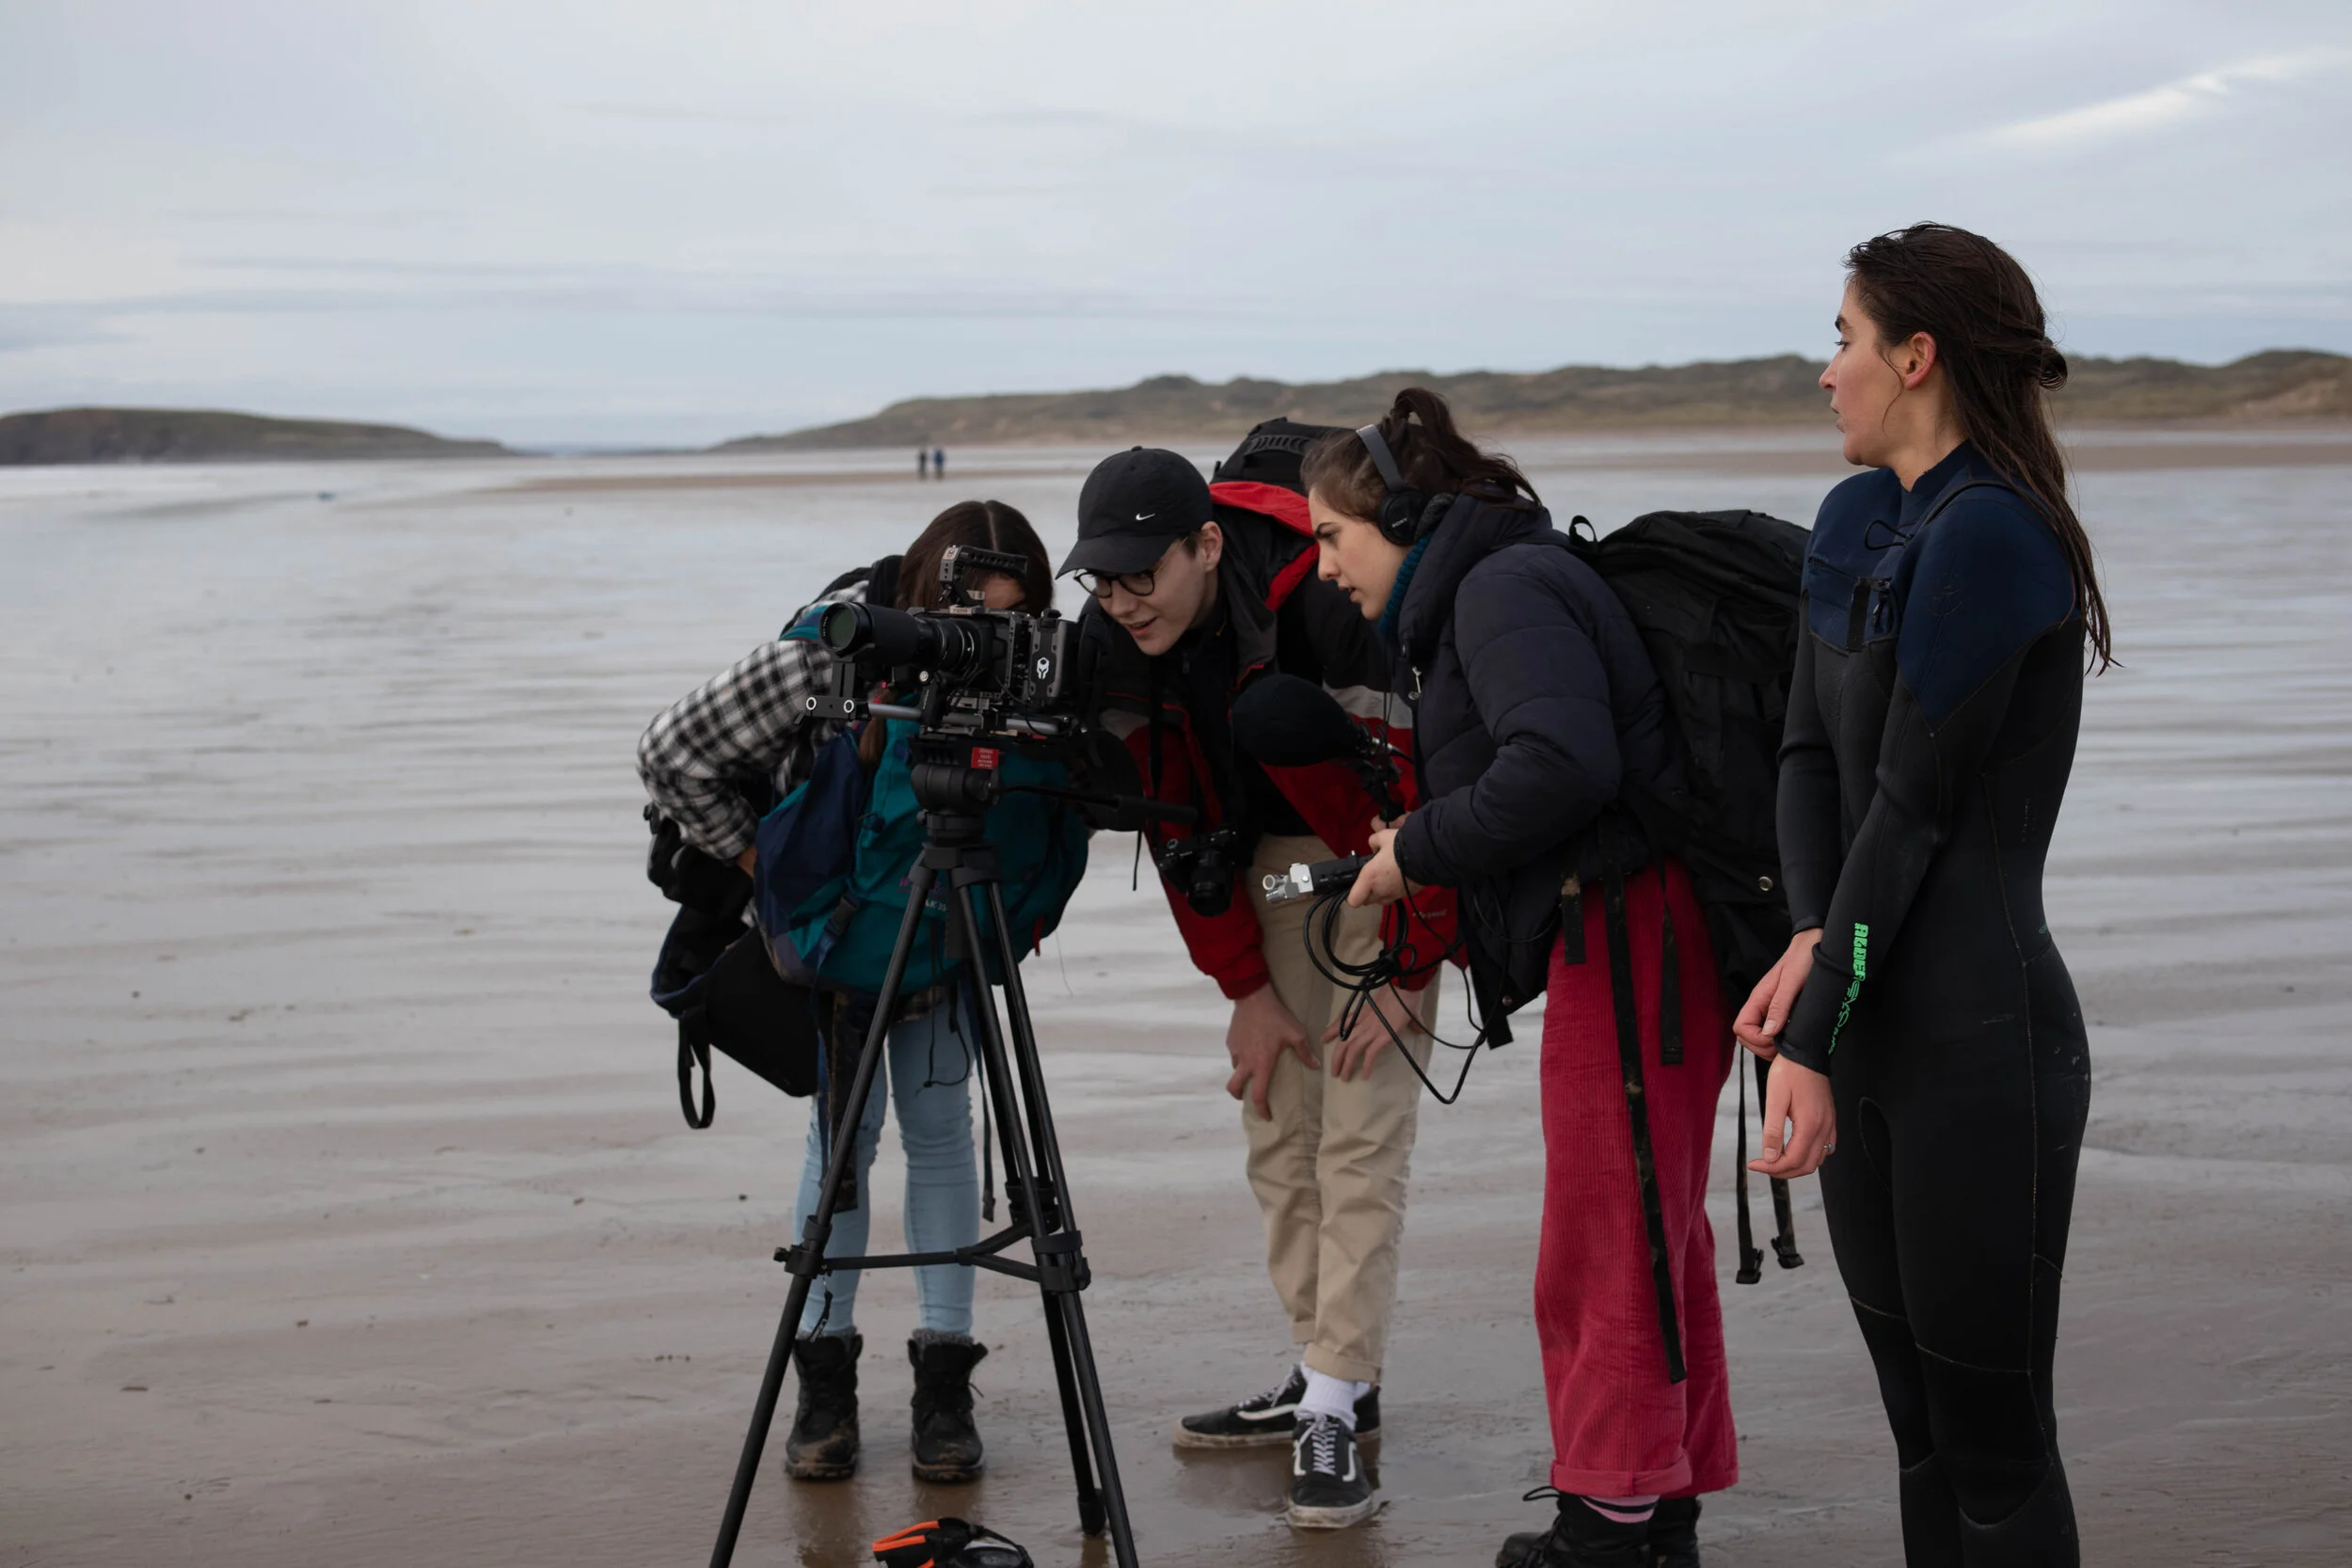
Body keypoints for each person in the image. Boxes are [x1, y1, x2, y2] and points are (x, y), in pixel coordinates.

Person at [1305, 389, 1735, 1568]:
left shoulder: (1497, 591)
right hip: (1637, 923)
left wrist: (1415, 852)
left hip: (1631, 925)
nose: (1324, 565)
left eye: (1332, 537)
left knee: (1606, 1230)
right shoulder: (1496, 582)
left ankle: (1609, 1515)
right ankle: (1659, 1496)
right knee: (1645, 1221)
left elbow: (1562, 762)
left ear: (1396, 512)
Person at [1736, 223, 2106, 1566]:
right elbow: (1803, 756)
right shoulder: (1852, 522)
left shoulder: (1995, 536)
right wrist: (1803, 942)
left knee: (1996, 1451)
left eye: (1843, 337)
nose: (1826, 369)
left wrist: (1817, 1033)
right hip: (1866, 1023)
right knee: (1922, 1437)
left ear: (1916, 353)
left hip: (1975, 1042)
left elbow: (1918, 807)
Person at [636, 499, 1059, 1486]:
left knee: (943, 1130)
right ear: (921, 596)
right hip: (836, 945)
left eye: (1007, 623)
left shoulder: (1016, 671)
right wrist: (761, 868)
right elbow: (670, 748)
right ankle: (823, 1387)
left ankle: (942, 1383)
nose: (981, 646)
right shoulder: (819, 660)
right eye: (967, 619)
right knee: (842, 1146)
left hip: (942, 928)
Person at [1067, 432, 1445, 1530]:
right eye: (1101, 576)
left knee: (1361, 1130)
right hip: (1267, 866)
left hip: (1384, 857)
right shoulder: (1112, 642)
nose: (1123, 600)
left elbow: (1428, 778)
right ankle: (1325, 1372)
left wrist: (1414, 958)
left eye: (1142, 573)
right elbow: (1174, 826)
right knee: (1280, 1123)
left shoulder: (1319, 597)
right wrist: (1244, 986)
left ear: (1206, 542)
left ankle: (1332, 1402)